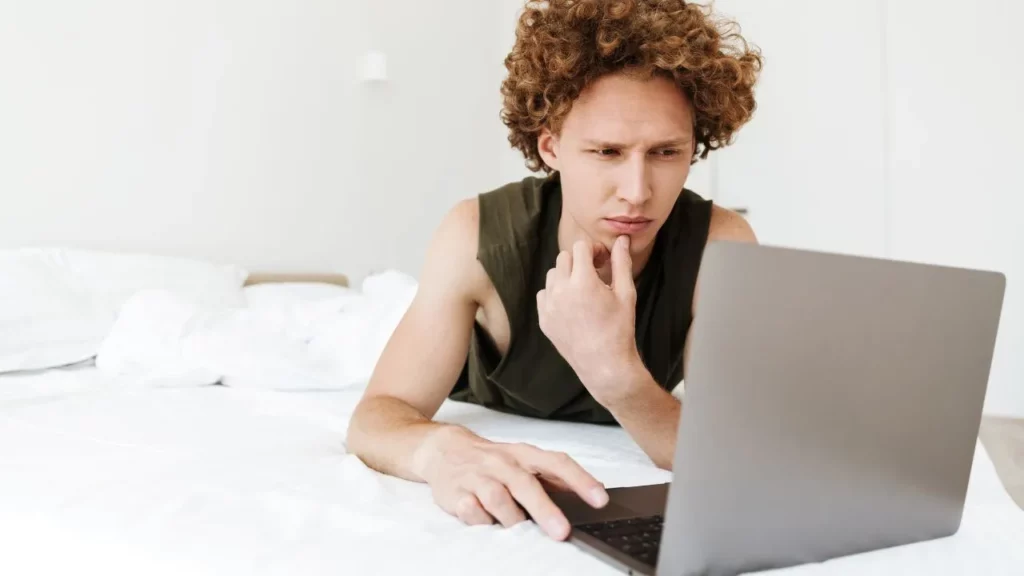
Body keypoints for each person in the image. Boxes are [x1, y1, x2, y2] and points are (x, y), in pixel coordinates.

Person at [347, 0, 762, 542]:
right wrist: (440, 449)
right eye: (607, 151)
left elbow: (733, 454)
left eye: (665, 153)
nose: (637, 192)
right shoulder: (475, 236)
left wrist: (616, 375)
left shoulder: (720, 244)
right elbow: (378, 415)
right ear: (551, 147)